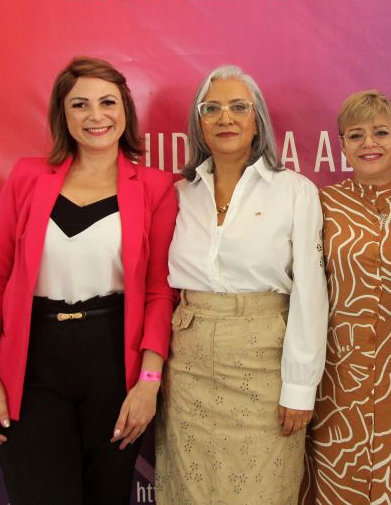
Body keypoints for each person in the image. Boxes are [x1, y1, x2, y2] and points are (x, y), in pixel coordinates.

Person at [0, 57, 178, 504]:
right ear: (62, 114)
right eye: (80, 104)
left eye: (108, 102)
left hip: (113, 365)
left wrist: (149, 382)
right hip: (32, 364)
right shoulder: (27, 177)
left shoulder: (156, 187)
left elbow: (160, 293)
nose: (95, 115)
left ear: (125, 109)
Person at [156, 65, 328, 504]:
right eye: (211, 108)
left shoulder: (295, 191)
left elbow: (310, 293)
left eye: (238, 107)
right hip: (189, 368)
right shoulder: (180, 194)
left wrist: (300, 387)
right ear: (199, 123)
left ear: (257, 120)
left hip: (265, 369)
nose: (225, 118)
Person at [301, 90, 391, 503]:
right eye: (356, 135)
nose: (369, 144)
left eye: (380, 132)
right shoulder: (320, 204)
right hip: (334, 379)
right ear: (341, 145)